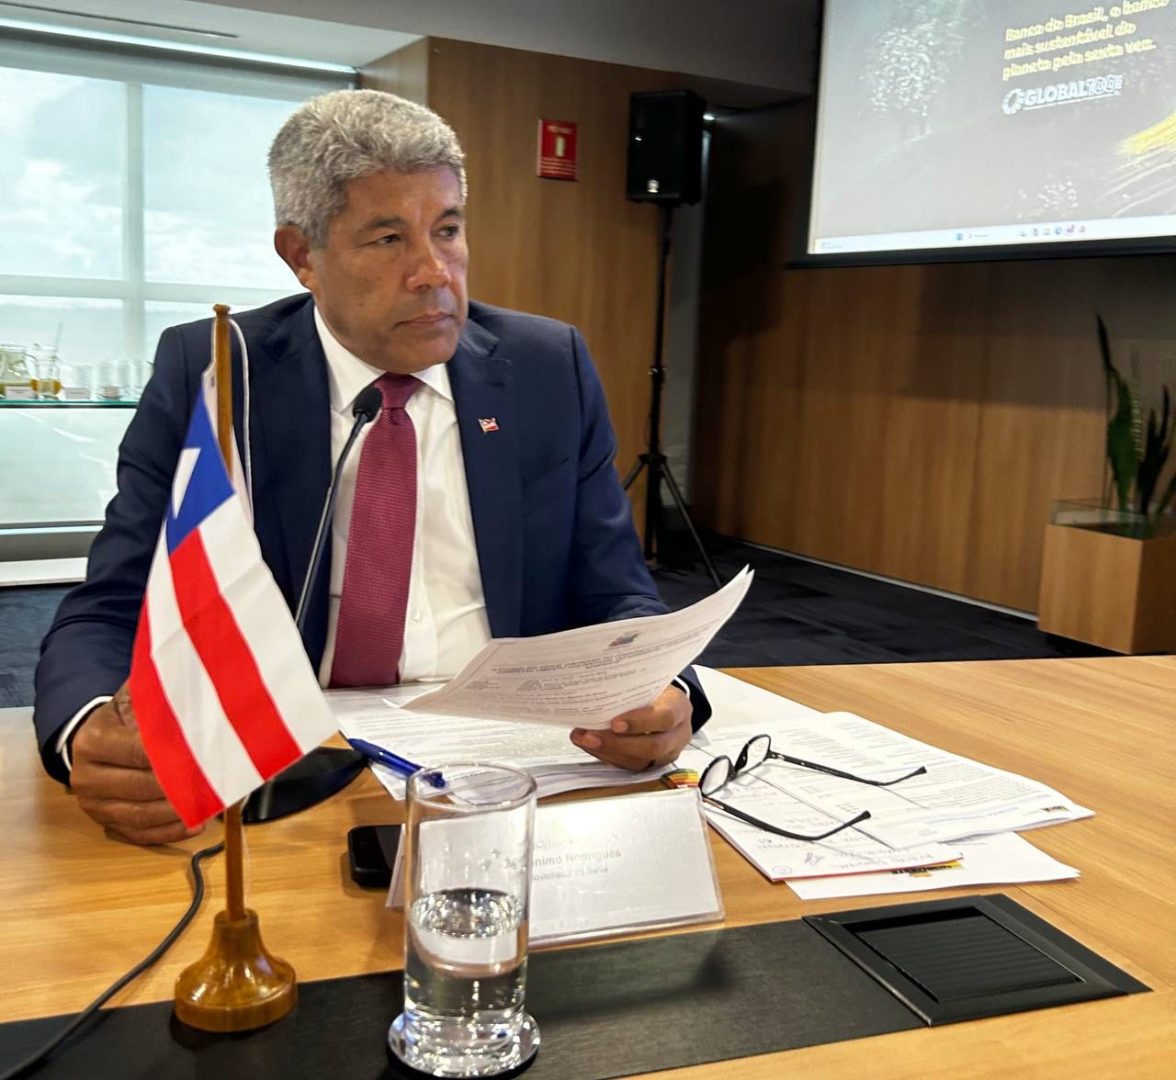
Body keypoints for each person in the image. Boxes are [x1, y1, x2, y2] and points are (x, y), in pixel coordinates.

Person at [33, 90, 710, 846]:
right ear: (301, 256)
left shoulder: (548, 367)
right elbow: (114, 604)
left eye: (447, 229)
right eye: (388, 239)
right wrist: (86, 728)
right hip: (295, 763)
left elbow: (617, 592)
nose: (433, 272)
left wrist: (663, 688)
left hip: (519, 763)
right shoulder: (220, 371)